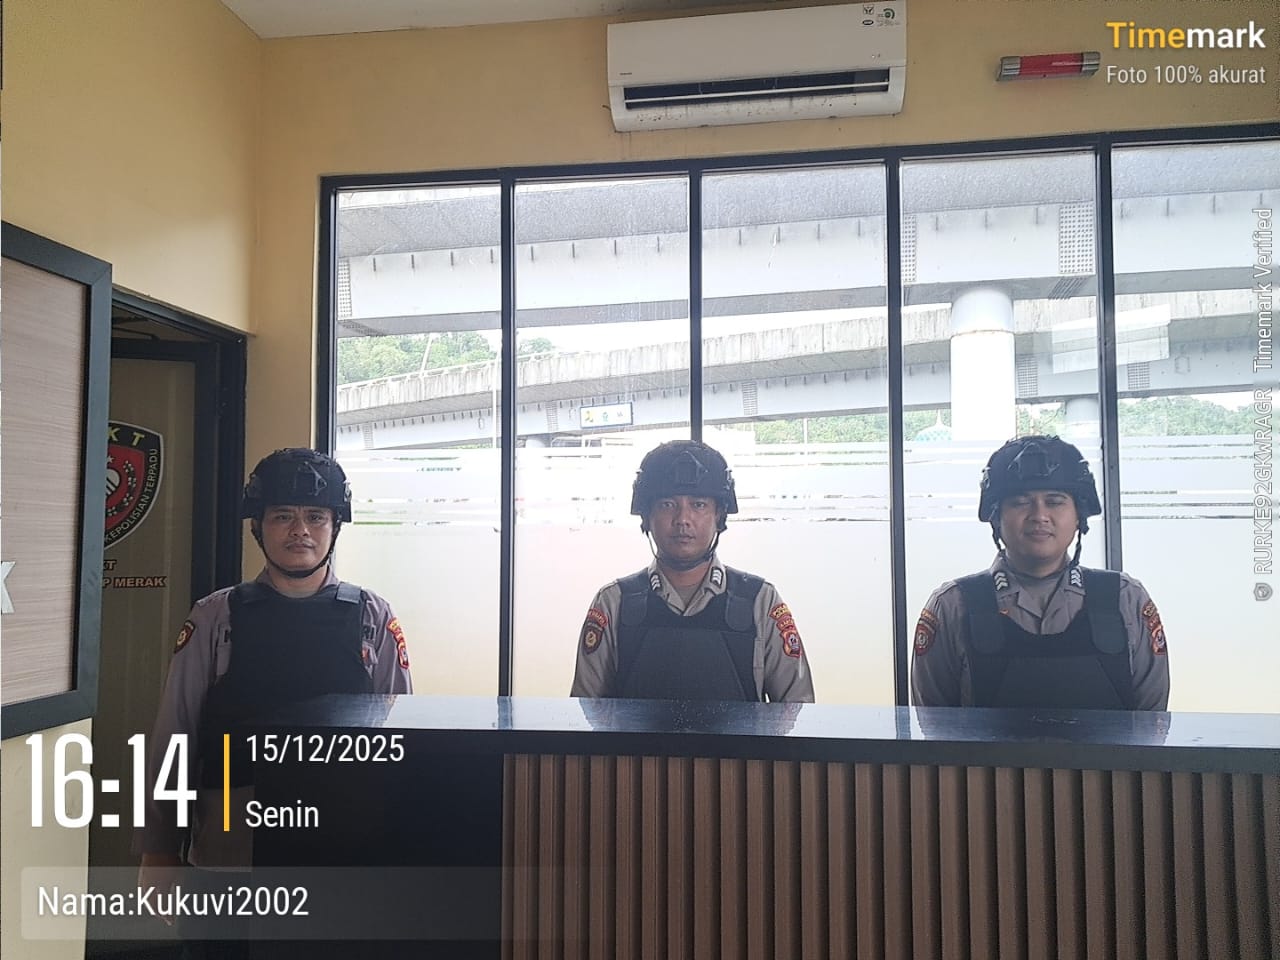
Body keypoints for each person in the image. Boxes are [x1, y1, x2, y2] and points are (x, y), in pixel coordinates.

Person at [134, 449, 412, 888]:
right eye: (283, 516)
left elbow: (402, 740)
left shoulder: (372, 616)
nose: (300, 530)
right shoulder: (215, 616)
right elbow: (176, 734)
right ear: (258, 527)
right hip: (231, 841)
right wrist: (159, 847)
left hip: (347, 841)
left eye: (316, 517)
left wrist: (405, 839)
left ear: (335, 526)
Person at [910, 435, 1170, 710]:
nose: (1039, 515)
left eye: (1055, 501)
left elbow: (1151, 722)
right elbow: (932, 726)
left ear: (1079, 516)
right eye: (1020, 502)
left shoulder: (1125, 599)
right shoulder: (952, 606)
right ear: (996, 517)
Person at [571, 440, 814, 702]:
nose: (682, 519)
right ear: (647, 517)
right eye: (667, 504)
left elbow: (797, 712)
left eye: (698, 505)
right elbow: (586, 712)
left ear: (719, 516)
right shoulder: (613, 603)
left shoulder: (760, 601)